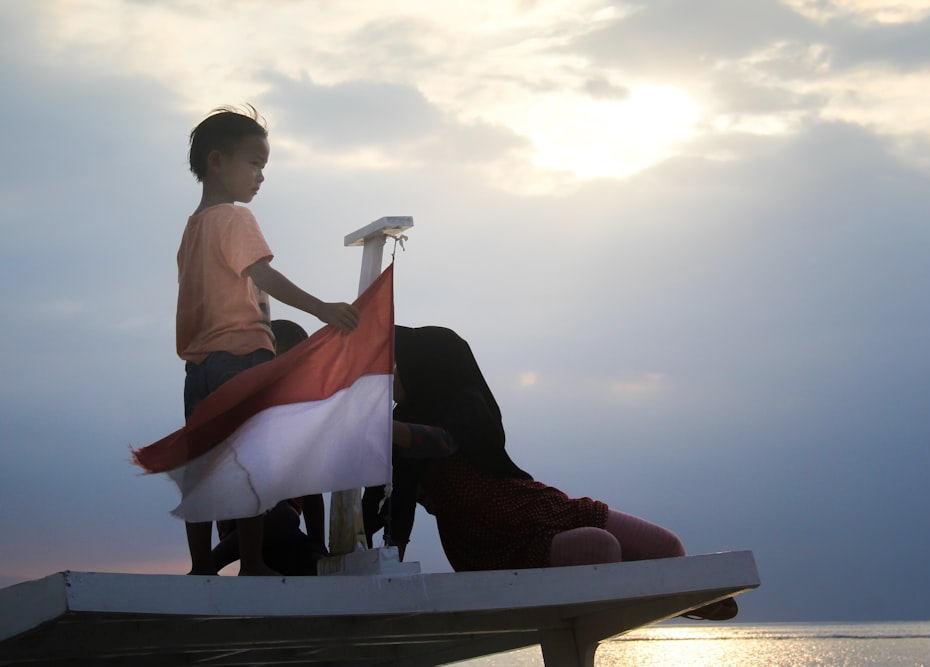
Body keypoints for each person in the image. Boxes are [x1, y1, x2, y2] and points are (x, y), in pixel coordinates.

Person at [363, 325, 737, 621]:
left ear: (427, 366)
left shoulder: (465, 408)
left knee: (669, 548)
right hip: (491, 544)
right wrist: (387, 568)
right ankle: (663, 600)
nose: (389, 375)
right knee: (601, 548)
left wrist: (377, 422)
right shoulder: (399, 430)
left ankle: (678, 602)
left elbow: (443, 442)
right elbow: (395, 507)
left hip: (536, 505)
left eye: (396, 365)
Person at [178, 106, 359, 576]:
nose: (261, 176)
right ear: (217, 161)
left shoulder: (192, 229)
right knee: (252, 464)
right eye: (254, 164)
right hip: (240, 357)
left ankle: (201, 567)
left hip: (197, 367)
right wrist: (322, 309)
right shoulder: (234, 220)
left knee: (203, 468)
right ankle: (253, 563)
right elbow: (263, 275)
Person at [211, 320, 329, 576]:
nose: (290, 358)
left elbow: (312, 491)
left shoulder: (303, 413)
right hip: (243, 519)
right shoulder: (251, 403)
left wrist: (320, 544)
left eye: (298, 352)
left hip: (285, 530)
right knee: (283, 517)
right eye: (283, 349)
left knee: (316, 563)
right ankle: (210, 564)